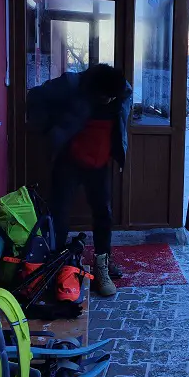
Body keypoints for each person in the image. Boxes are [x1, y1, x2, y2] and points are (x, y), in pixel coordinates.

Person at [26, 63, 133, 297]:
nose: (109, 100)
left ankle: (102, 266)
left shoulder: (121, 93)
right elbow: (35, 96)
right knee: (60, 215)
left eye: (112, 96)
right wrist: (48, 128)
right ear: (93, 89)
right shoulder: (71, 85)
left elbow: (121, 124)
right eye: (105, 96)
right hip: (69, 162)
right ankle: (55, 266)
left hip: (99, 164)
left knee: (104, 214)